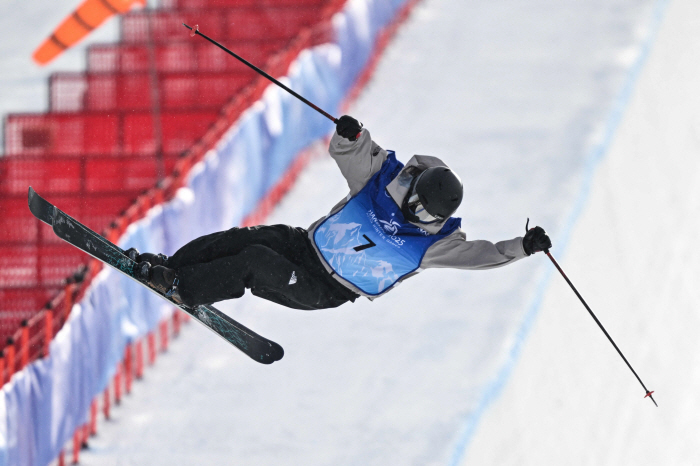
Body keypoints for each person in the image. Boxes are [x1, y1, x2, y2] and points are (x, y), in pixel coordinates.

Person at [127, 115, 552, 309]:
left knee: (255, 262)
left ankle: (183, 286)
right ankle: (169, 267)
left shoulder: (436, 244)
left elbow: (484, 254)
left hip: (323, 288)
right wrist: (351, 132)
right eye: (415, 200)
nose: (413, 210)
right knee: (244, 240)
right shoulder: (385, 180)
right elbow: (352, 152)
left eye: (421, 212)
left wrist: (523, 246)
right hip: (303, 243)